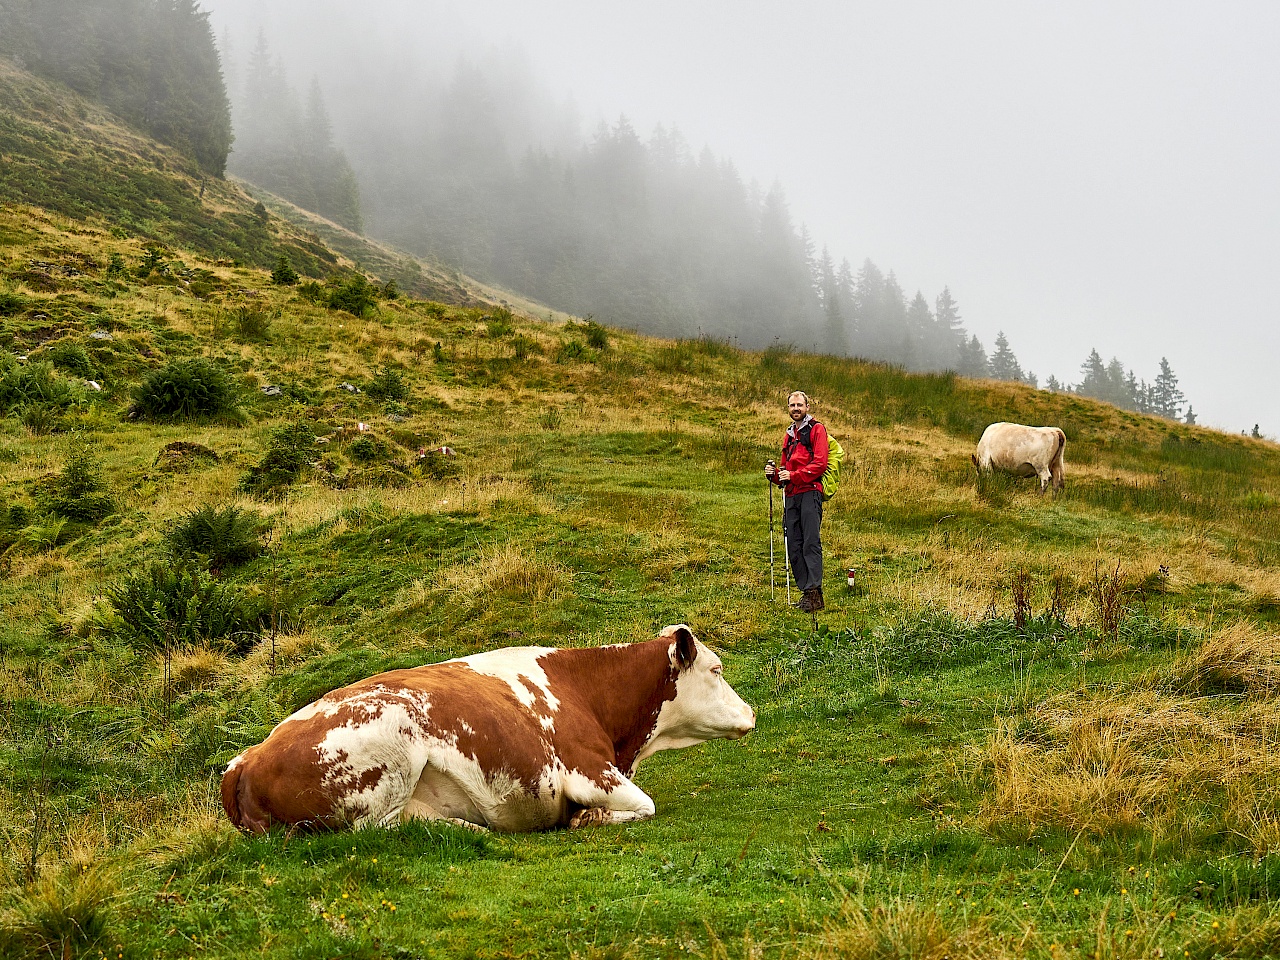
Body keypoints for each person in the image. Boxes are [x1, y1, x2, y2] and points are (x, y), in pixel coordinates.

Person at [764, 391, 828, 612]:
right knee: (794, 544)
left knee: (810, 542)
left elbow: (820, 464)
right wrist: (774, 474)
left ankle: (814, 593)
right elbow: (785, 470)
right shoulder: (789, 435)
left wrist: (793, 476)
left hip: (810, 492)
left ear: (807, 407)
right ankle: (807, 592)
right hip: (791, 495)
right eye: (792, 405)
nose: (796, 408)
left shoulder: (817, 430)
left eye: (799, 404)